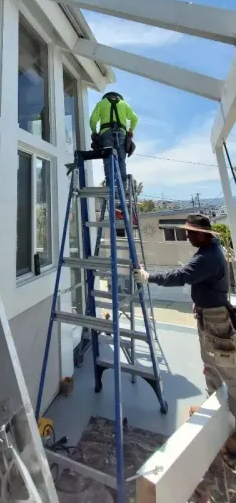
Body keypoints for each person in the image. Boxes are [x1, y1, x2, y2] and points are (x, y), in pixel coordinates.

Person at [133, 213, 236, 460]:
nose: (186, 235)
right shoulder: (209, 250)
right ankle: (215, 415)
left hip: (216, 321)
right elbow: (204, 283)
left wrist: (149, 277)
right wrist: (200, 302)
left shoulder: (208, 257)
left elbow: (181, 276)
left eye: (190, 232)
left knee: (230, 375)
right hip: (208, 315)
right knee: (210, 367)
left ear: (203, 234)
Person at [89, 91, 138, 189]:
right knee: (121, 160)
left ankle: (109, 186)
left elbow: (93, 120)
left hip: (106, 133)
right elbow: (135, 118)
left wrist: (94, 132)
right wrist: (130, 130)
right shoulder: (124, 104)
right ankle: (123, 187)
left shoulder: (101, 103)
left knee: (108, 159)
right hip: (122, 134)